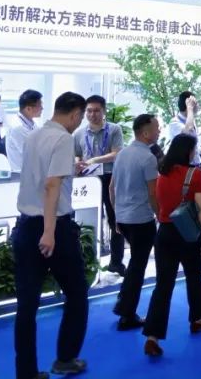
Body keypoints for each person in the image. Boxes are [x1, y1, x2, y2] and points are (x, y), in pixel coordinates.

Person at [13, 92, 89, 379]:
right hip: (53, 227)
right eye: (80, 117)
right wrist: (49, 232)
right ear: (75, 114)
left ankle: (26, 372)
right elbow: (51, 185)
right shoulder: (63, 139)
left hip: (25, 225)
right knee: (77, 294)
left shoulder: (33, 135)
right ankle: (65, 358)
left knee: (27, 305)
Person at [143, 132, 201, 357]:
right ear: (189, 151)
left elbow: (156, 199)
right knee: (194, 276)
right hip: (189, 233)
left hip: (165, 231)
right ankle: (198, 318)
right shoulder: (196, 173)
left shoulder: (162, 172)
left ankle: (152, 336)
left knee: (163, 285)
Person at [109, 114, 160, 330]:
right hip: (141, 219)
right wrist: (160, 215)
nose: (159, 131)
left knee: (135, 265)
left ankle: (124, 306)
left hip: (124, 217)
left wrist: (117, 215)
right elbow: (152, 193)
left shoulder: (122, 154)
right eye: (156, 128)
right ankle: (126, 312)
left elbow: (112, 188)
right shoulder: (148, 158)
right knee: (138, 267)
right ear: (146, 133)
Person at [73, 95, 125, 275]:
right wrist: (78, 163)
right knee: (85, 220)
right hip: (88, 180)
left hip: (110, 178)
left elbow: (117, 153)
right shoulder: (79, 133)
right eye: (89, 111)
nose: (92, 114)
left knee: (114, 219)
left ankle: (116, 262)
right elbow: (77, 154)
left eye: (96, 110)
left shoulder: (114, 129)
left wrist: (94, 160)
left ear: (104, 111)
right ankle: (87, 261)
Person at [5, 90, 43, 176]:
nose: (42, 108)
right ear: (28, 108)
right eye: (39, 105)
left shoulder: (31, 123)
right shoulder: (18, 127)